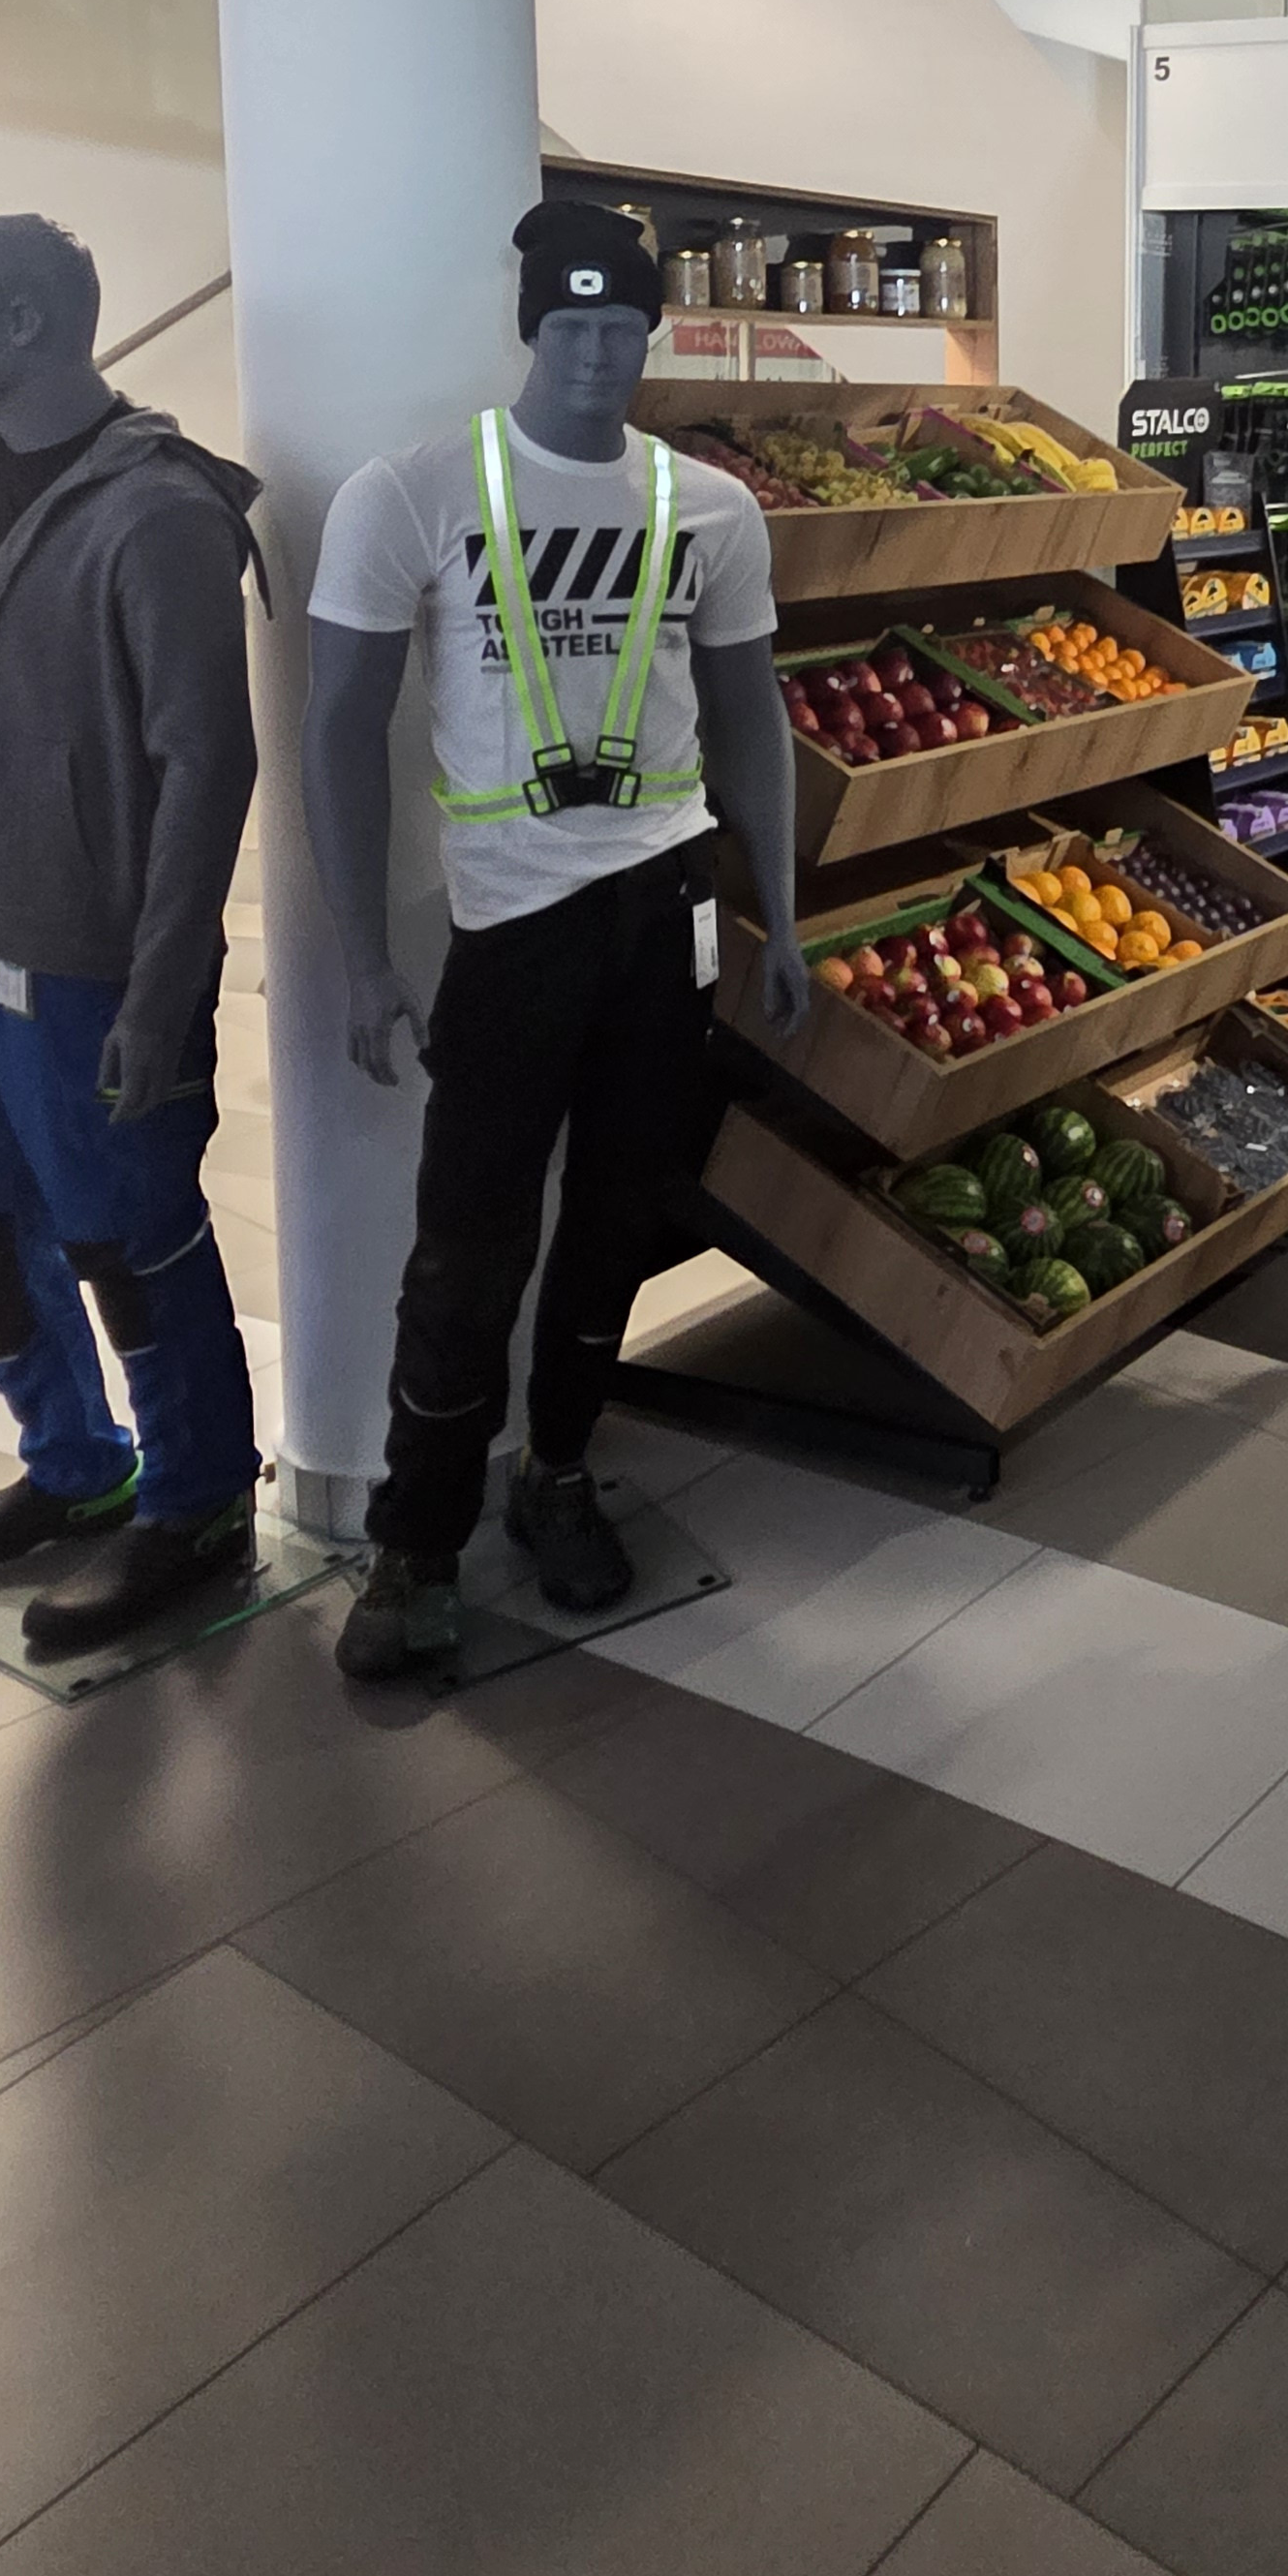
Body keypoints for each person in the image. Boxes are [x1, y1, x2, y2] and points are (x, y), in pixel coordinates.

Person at [304, 200, 806, 1682]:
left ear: (652, 334)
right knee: (467, 1245)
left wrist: (779, 911)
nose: (596, 355)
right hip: (511, 923)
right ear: (531, 331)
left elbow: (751, 722)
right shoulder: (412, 493)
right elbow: (336, 727)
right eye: (572, 327)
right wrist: (360, 957)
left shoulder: (711, 509)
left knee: (620, 1217)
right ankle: (415, 1541)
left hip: (667, 905)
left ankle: (562, 1472)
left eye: (622, 328)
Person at [0, 214, 265, 1656]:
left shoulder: (157, 512)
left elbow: (208, 764)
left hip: (88, 962)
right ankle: (74, 1464)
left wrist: (163, 992)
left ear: (26, 321)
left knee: (129, 1238)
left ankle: (199, 1499)